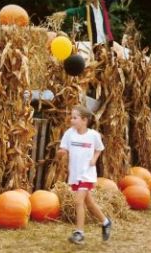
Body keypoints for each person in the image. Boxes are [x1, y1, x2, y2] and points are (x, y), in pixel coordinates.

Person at [57, 105, 111, 245]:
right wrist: (61, 152)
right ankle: (105, 222)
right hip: (75, 174)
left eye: (75, 117)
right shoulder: (69, 133)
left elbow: (99, 149)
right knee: (89, 203)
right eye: (71, 117)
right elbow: (63, 148)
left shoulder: (93, 135)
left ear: (84, 120)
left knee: (78, 201)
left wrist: (94, 159)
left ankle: (79, 233)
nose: (71, 120)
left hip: (87, 174)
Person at [52, 0, 139, 54]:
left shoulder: (103, 5)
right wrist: (65, 12)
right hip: (95, 43)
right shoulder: (87, 9)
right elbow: (75, 10)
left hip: (107, 41)